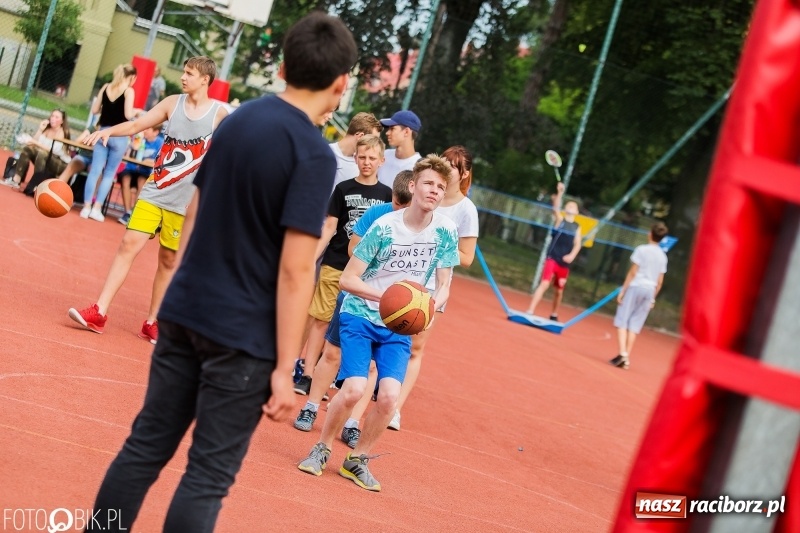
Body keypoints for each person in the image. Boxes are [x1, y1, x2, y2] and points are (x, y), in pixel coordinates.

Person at [84, 13, 356, 533]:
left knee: (144, 447)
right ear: (341, 83)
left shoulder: (238, 120)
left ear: (282, 68)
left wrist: (183, 287)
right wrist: (286, 367)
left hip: (185, 309)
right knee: (207, 476)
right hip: (242, 334)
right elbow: (296, 269)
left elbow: (195, 211)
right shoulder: (312, 154)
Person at [298, 155, 460, 492]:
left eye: (441, 187)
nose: (434, 190)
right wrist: (387, 298)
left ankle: (357, 459)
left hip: (399, 325)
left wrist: (429, 307)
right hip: (360, 313)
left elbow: (444, 284)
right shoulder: (385, 227)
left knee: (388, 398)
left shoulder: (445, 231)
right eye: (429, 183)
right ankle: (321, 447)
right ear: (413, 186)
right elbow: (348, 279)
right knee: (354, 389)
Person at [68, 56, 227, 344]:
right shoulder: (172, 104)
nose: (183, 77)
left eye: (189, 73)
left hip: (185, 201)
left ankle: (152, 321)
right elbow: (136, 125)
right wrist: (107, 130)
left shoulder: (220, 114)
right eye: (184, 71)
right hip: (156, 190)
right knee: (128, 244)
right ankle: (99, 311)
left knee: (168, 260)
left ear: (205, 79)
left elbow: (235, 151)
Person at [293, 170, 414, 440]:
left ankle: (351, 423)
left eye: (405, 206)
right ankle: (311, 407)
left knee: (372, 367)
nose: (400, 210)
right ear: (392, 197)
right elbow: (352, 250)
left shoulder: (420, 226)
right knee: (332, 354)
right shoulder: (377, 214)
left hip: (392, 304)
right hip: (359, 296)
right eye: (397, 204)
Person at [388, 145, 479, 431]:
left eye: (454, 166)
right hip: (399, 275)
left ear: (464, 174)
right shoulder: (425, 193)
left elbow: (467, 257)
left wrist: (437, 246)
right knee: (382, 335)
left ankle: (394, 408)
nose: (447, 169)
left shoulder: (465, 210)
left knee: (415, 347)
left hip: (432, 287)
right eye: (445, 162)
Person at [293, 134, 392, 395]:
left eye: (372, 158)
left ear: (381, 161)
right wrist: (311, 259)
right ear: (355, 158)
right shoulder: (343, 189)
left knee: (352, 324)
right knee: (321, 319)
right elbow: (329, 227)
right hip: (335, 263)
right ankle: (307, 374)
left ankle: (338, 377)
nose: (366, 162)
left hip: (364, 273)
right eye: (362, 157)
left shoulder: (387, 196)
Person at [80, 64, 138, 222]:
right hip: (119, 135)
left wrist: (108, 108)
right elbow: (128, 115)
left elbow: (94, 110)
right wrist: (136, 112)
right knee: (109, 173)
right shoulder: (128, 91)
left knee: (95, 171)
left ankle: (86, 207)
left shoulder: (106, 87)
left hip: (102, 133)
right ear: (132, 77)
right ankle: (97, 208)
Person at [609, 222, 669, 370]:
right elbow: (660, 281)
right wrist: (653, 297)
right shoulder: (663, 256)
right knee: (634, 325)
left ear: (650, 234)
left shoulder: (641, 250)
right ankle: (625, 357)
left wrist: (623, 291)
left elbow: (633, 272)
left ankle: (623, 354)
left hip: (636, 286)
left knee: (622, 320)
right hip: (649, 290)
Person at [524, 182, 582, 320]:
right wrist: (560, 193)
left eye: (573, 206)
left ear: (577, 212)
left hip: (564, 262)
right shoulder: (560, 220)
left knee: (559, 291)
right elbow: (555, 208)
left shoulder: (577, 227)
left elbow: (577, 244)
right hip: (553, 258)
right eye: (568, 205)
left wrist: (572, 256)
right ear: (565, 209)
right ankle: (530, 310)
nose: (570, 207)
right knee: (544, 283)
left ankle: (554, 314)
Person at [1, 109, 71, 190]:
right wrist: (40, 129)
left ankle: (35, 184)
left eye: (57, 117)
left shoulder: (62, 132)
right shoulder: (47, 129)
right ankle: (16, 180)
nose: (53, 118)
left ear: (62, 121)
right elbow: (33, 142)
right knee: (27, 149)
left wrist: (35, 142)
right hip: (45, 157)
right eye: (52, 116)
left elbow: (53, 150)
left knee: (42, 153)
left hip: (60, 164)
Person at [117, 125, 165, 225]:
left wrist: (150, 161)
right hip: (131, 169)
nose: (145, 131)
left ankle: (135, 212)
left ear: (155, 132)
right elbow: (127, 155)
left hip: (146, 172)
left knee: (142, 180)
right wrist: (133, 147)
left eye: (148, 129)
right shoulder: (139, 139)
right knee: (125, 178)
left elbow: (161, 161)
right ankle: (127, 212)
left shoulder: (160, 143)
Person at [330, 111, 382, 189]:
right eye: (372, 140)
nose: (374, 145)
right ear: (360, 136)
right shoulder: (323, 152)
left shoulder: (362, 167)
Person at [376, 110, 422, 188]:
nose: (387, 133)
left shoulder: (419, 168)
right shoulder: (383, 155)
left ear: (406, 132)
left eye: (392, 129)